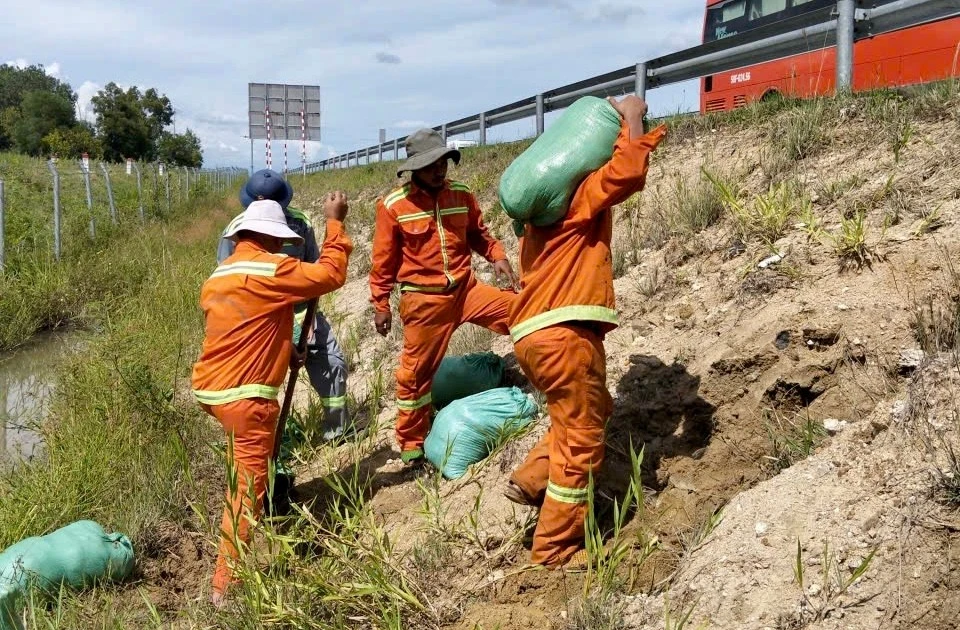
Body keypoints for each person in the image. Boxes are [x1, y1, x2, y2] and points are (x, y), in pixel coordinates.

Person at [503, 95, 667, 568]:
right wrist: (633, 117)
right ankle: (555, 551)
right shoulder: (578, 204)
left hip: (535, 337)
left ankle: (532, 478)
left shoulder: (535, 221)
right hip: (566, 336)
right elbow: (628, 173)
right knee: (583, 443)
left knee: (586, 412)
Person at [192, 193, 352, 605]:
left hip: (212, 391)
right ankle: (226, 589)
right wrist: (335, 223)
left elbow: (248, 325)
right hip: (246, 399)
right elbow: (332, 274)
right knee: (246, 489)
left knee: (247, 472)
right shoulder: (274, 268)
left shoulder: (220, 274)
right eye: (281, 242)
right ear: (272, 238)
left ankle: (261, 505)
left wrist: (286, 351)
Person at [369, 128, 518, 465]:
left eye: (443, 162)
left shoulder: (461, 194)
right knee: (415, 375)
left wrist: (497, 256)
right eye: (431, 164)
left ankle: (546, 378)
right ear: (414, 169)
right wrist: (381, 304)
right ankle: (411, 442)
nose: (440, 169)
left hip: (467, 290)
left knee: (523, 313)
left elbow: (479, 234)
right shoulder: (393, 206)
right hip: (424, 302)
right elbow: (383, 262)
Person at [218, 169, 350, 442]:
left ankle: (338, 430)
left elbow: (317, 271)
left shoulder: (300, 223)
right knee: (263, 383)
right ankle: (273, 441)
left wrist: (308, 320)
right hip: (263, 318)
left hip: (302, 311)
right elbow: (230, 283)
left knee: (332, 362)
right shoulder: (235, 231)